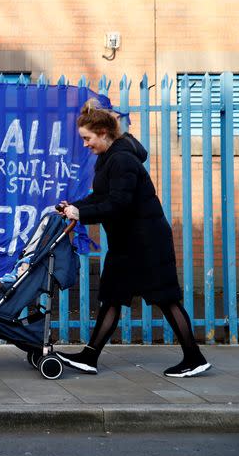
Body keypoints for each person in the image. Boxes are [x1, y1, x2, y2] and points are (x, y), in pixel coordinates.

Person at [55, 99, 210, 378]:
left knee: (166, 298)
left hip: (146, 242)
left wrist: (83, 213)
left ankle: (194, 357)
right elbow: (102, 197)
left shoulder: (123, 159)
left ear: (103, 133)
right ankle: (90, 357)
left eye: (87, 138)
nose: (86, 144)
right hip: (128, 241)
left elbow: (119, 204)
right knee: (112, 296)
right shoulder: (109, 158)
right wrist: (75, 207)